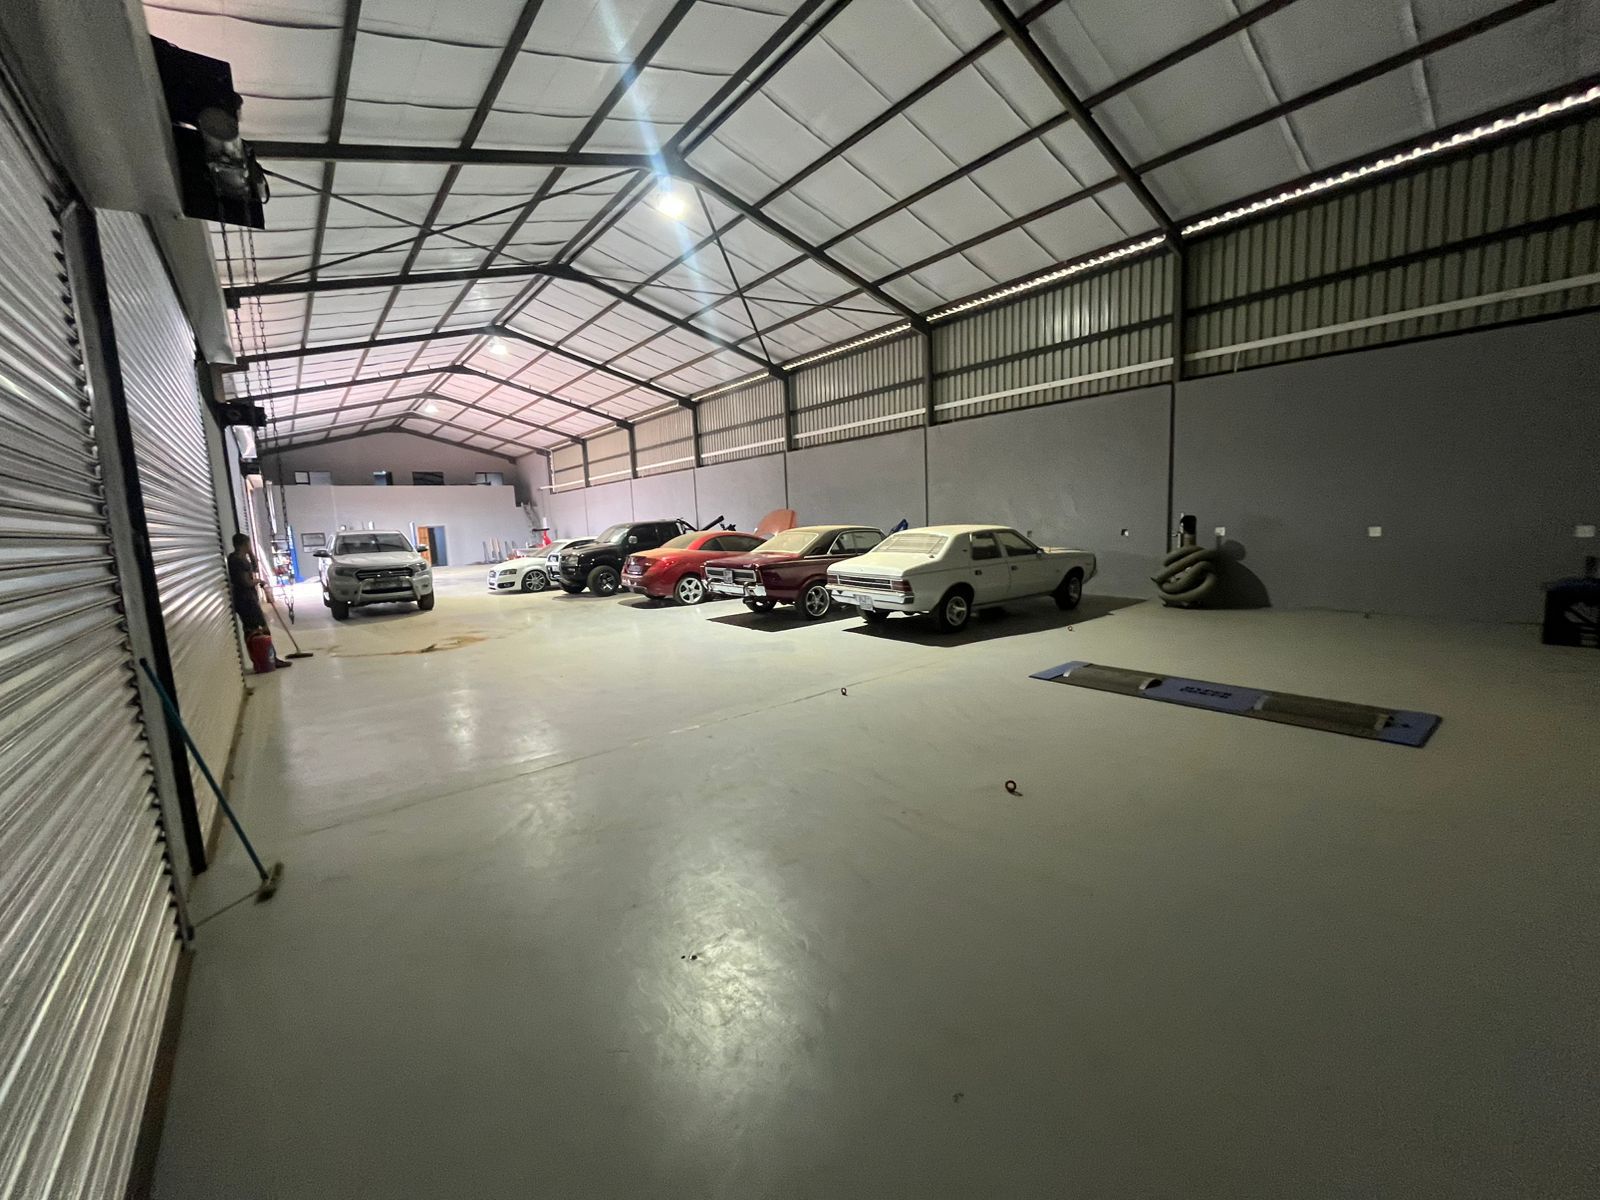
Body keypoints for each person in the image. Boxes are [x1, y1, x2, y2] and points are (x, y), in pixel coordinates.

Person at [227, 534, 291, 669]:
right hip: (247, 600)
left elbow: (254, 567)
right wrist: (258, 581)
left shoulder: (233, 558)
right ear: (245, 544)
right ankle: (269, 659)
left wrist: (249, 553)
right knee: (261, 628)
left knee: (250, 630)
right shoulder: (240, 561)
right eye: (248, 545)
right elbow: (246, 582)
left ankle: (260, 660)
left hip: (242, 600)